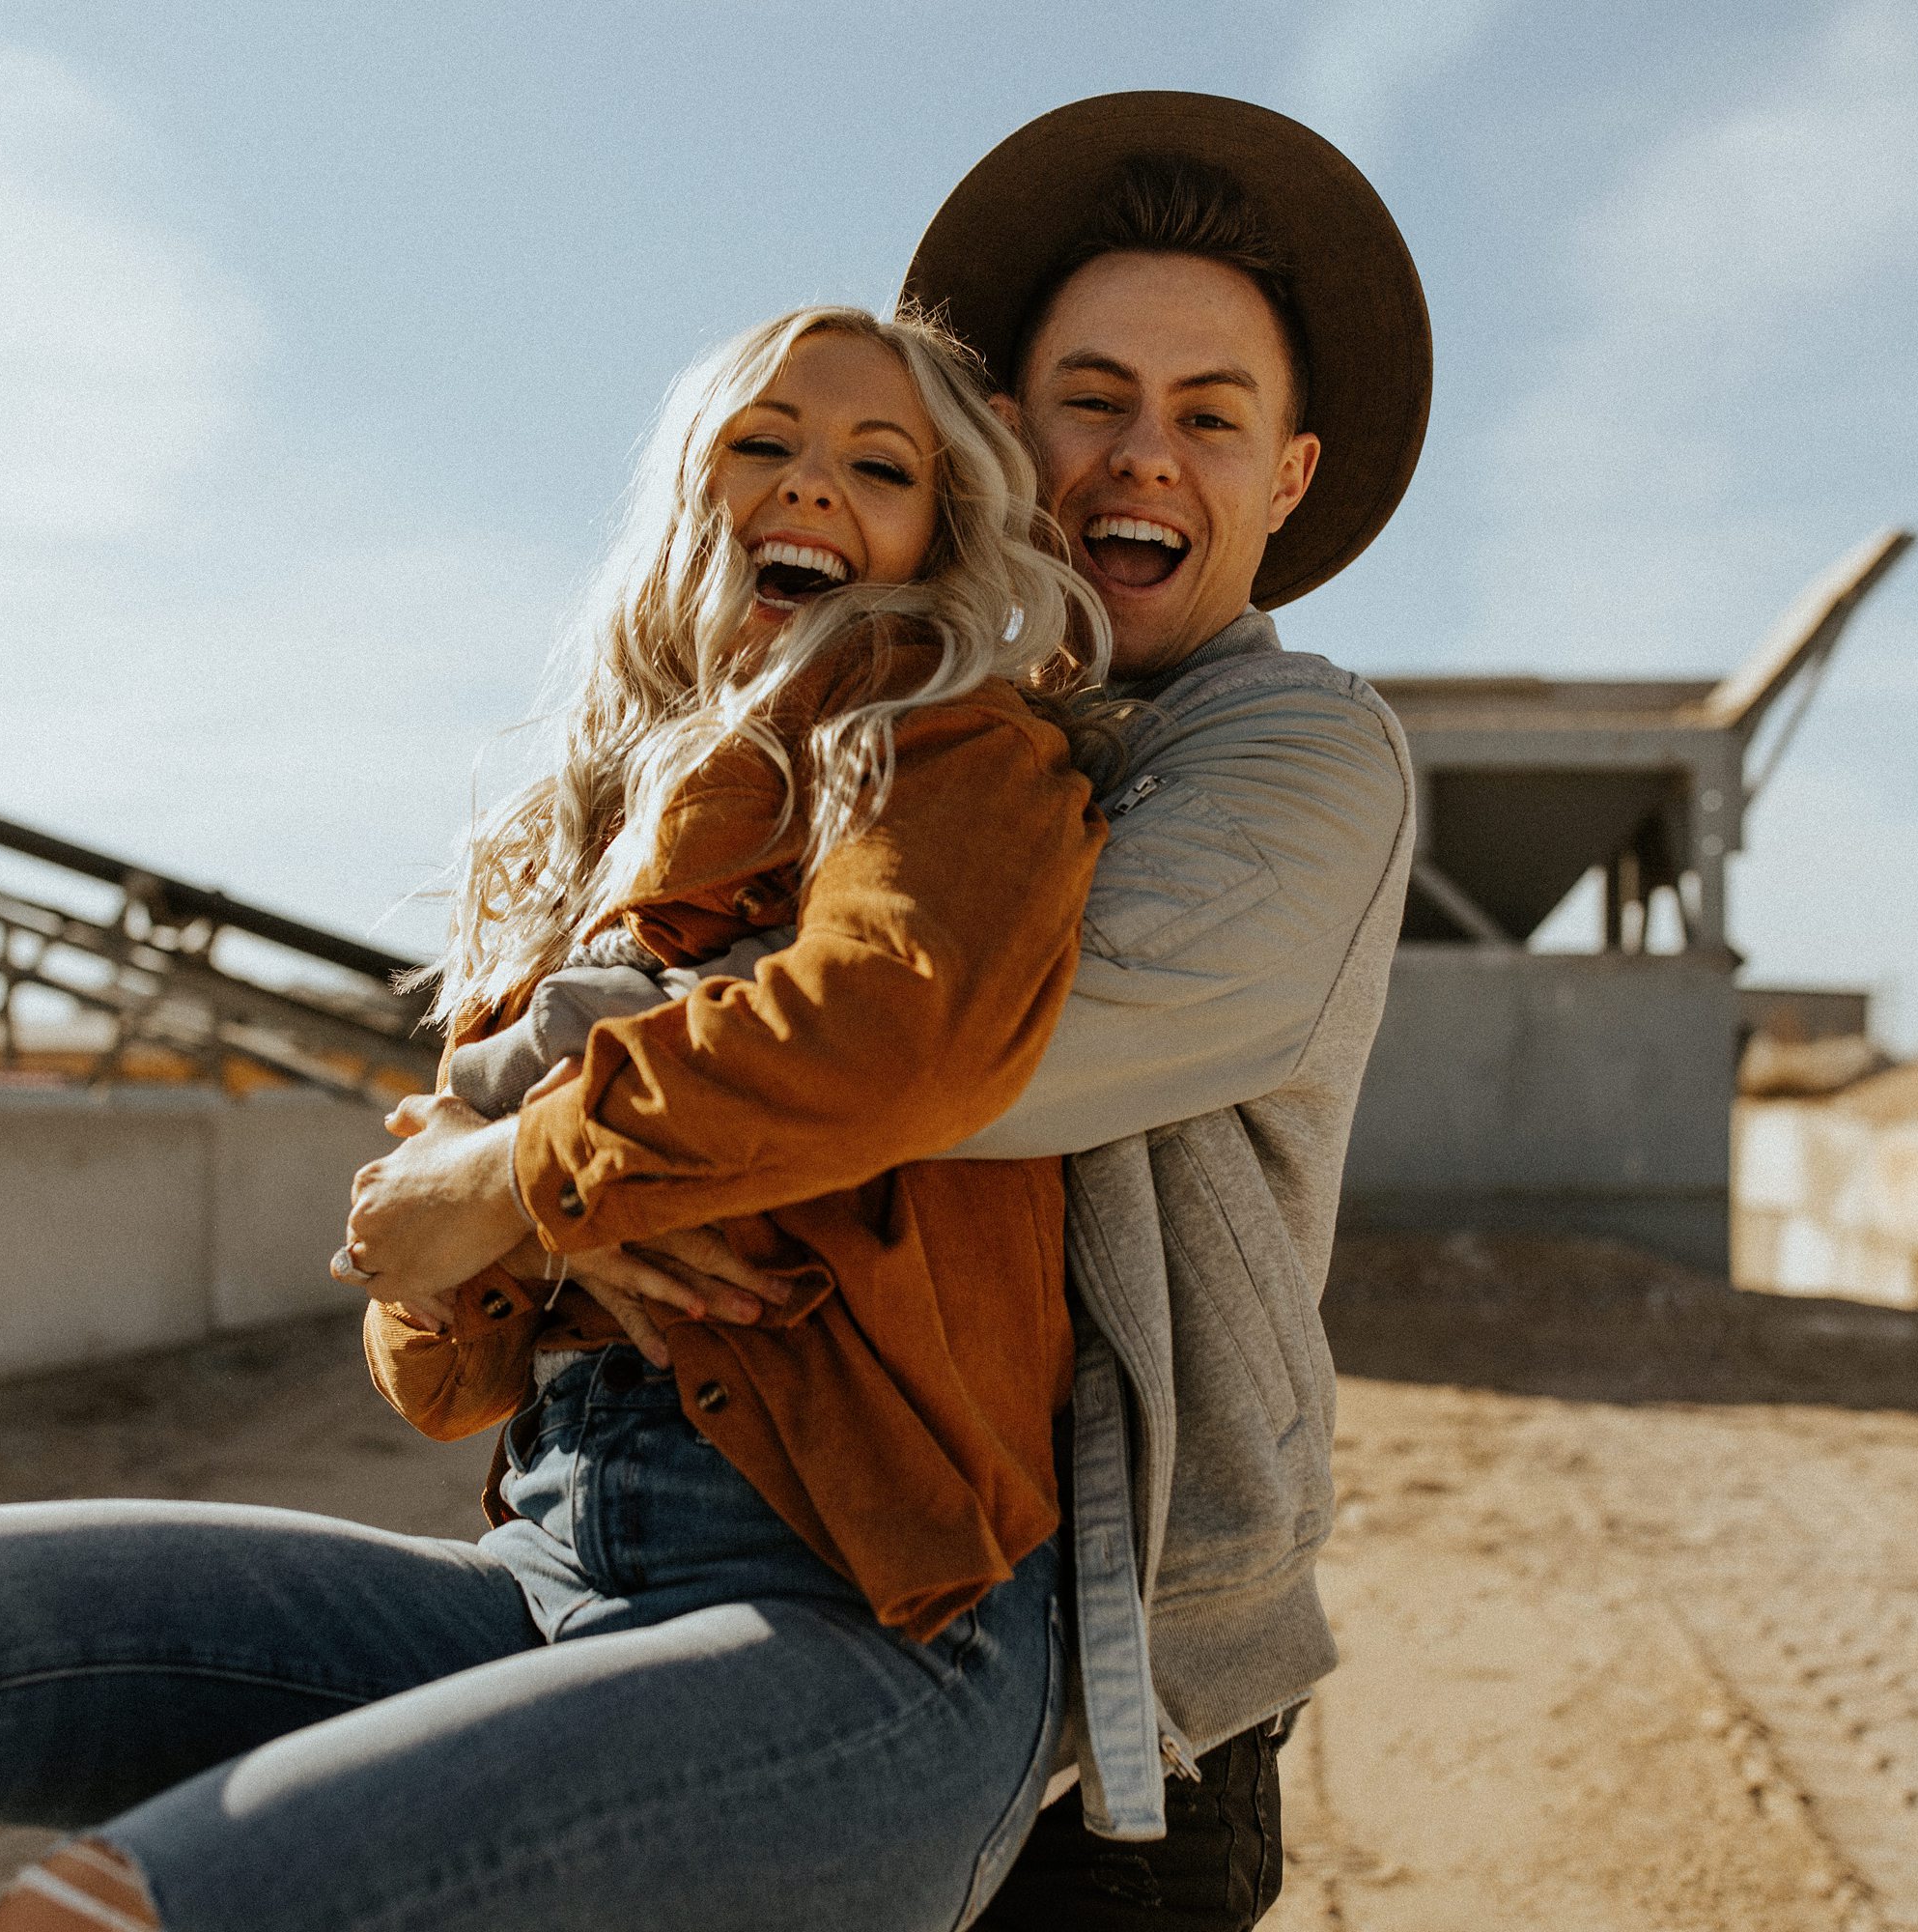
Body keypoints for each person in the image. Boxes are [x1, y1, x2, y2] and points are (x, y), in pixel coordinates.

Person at [0, 304, 1115, 1932]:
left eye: (881, 466)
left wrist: (529, 1175)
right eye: (763, 445)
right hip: (547, 1583)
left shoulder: (948, 750)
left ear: (939, 536)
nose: (813, 489)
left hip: (867, 1628)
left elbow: (892, 1027)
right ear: (680, 495)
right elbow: (433, 1363)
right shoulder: (589, 840)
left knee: (96, 1916)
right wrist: (481, 1240)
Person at [443, 95, 1434, 1929]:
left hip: (1107, 1704)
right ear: (1004, 441)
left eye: (1210, 418)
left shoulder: (1296, 757)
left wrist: (525, 1155)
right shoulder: (866, 726)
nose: (1145, 458)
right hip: (762, 1574)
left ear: (1285, 478)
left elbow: (943, 1048)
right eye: (1094, 399)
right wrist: (555, 1171)